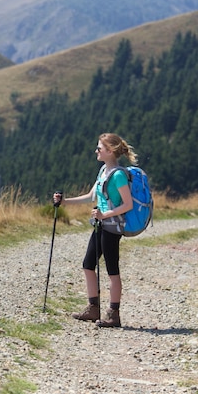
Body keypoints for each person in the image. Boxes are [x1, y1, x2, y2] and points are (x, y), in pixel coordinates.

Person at [53, 133, 136, 328]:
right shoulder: (103, 171)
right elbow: (91, 196)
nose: (96, 151)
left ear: (110, 151)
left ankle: (113, 314)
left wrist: (104, 215)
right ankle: (93, 309)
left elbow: (128, 204)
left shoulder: (118, 175)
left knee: (112, 270)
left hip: (111, 228)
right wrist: (64, 202)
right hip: (100, 225)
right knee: (88, 264)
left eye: (99, 148)